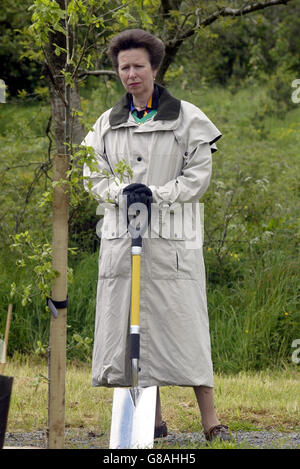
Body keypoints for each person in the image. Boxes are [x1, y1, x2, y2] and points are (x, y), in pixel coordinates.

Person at [82, 29, 230, 443]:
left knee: (186, 329)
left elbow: (198, 178)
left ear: (155, 68)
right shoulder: (106, 124)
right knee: (133, 332)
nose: (131, 75)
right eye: (123, 67)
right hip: (121, 237)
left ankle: (211, 422)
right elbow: (92, 174)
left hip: (173, 242)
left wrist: (157, 194)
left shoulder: (188, 119)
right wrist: (119, 193)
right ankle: (153, 423)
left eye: (138, 66)